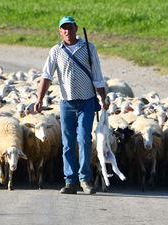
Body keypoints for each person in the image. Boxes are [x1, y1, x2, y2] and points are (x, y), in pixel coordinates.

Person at [34, 16, 109, 195]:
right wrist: (40, 98)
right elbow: (46, 75)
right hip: (66, 102)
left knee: (84, 138)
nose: (67, 31)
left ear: (76, 28)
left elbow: (97, 75)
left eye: (70, 27)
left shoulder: (89, 48)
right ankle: (70, 181)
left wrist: (103, 98)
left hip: (87, 101)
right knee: (67, 143)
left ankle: (85, 179)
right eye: (63, 28)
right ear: (60, 31)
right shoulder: (56, 51)